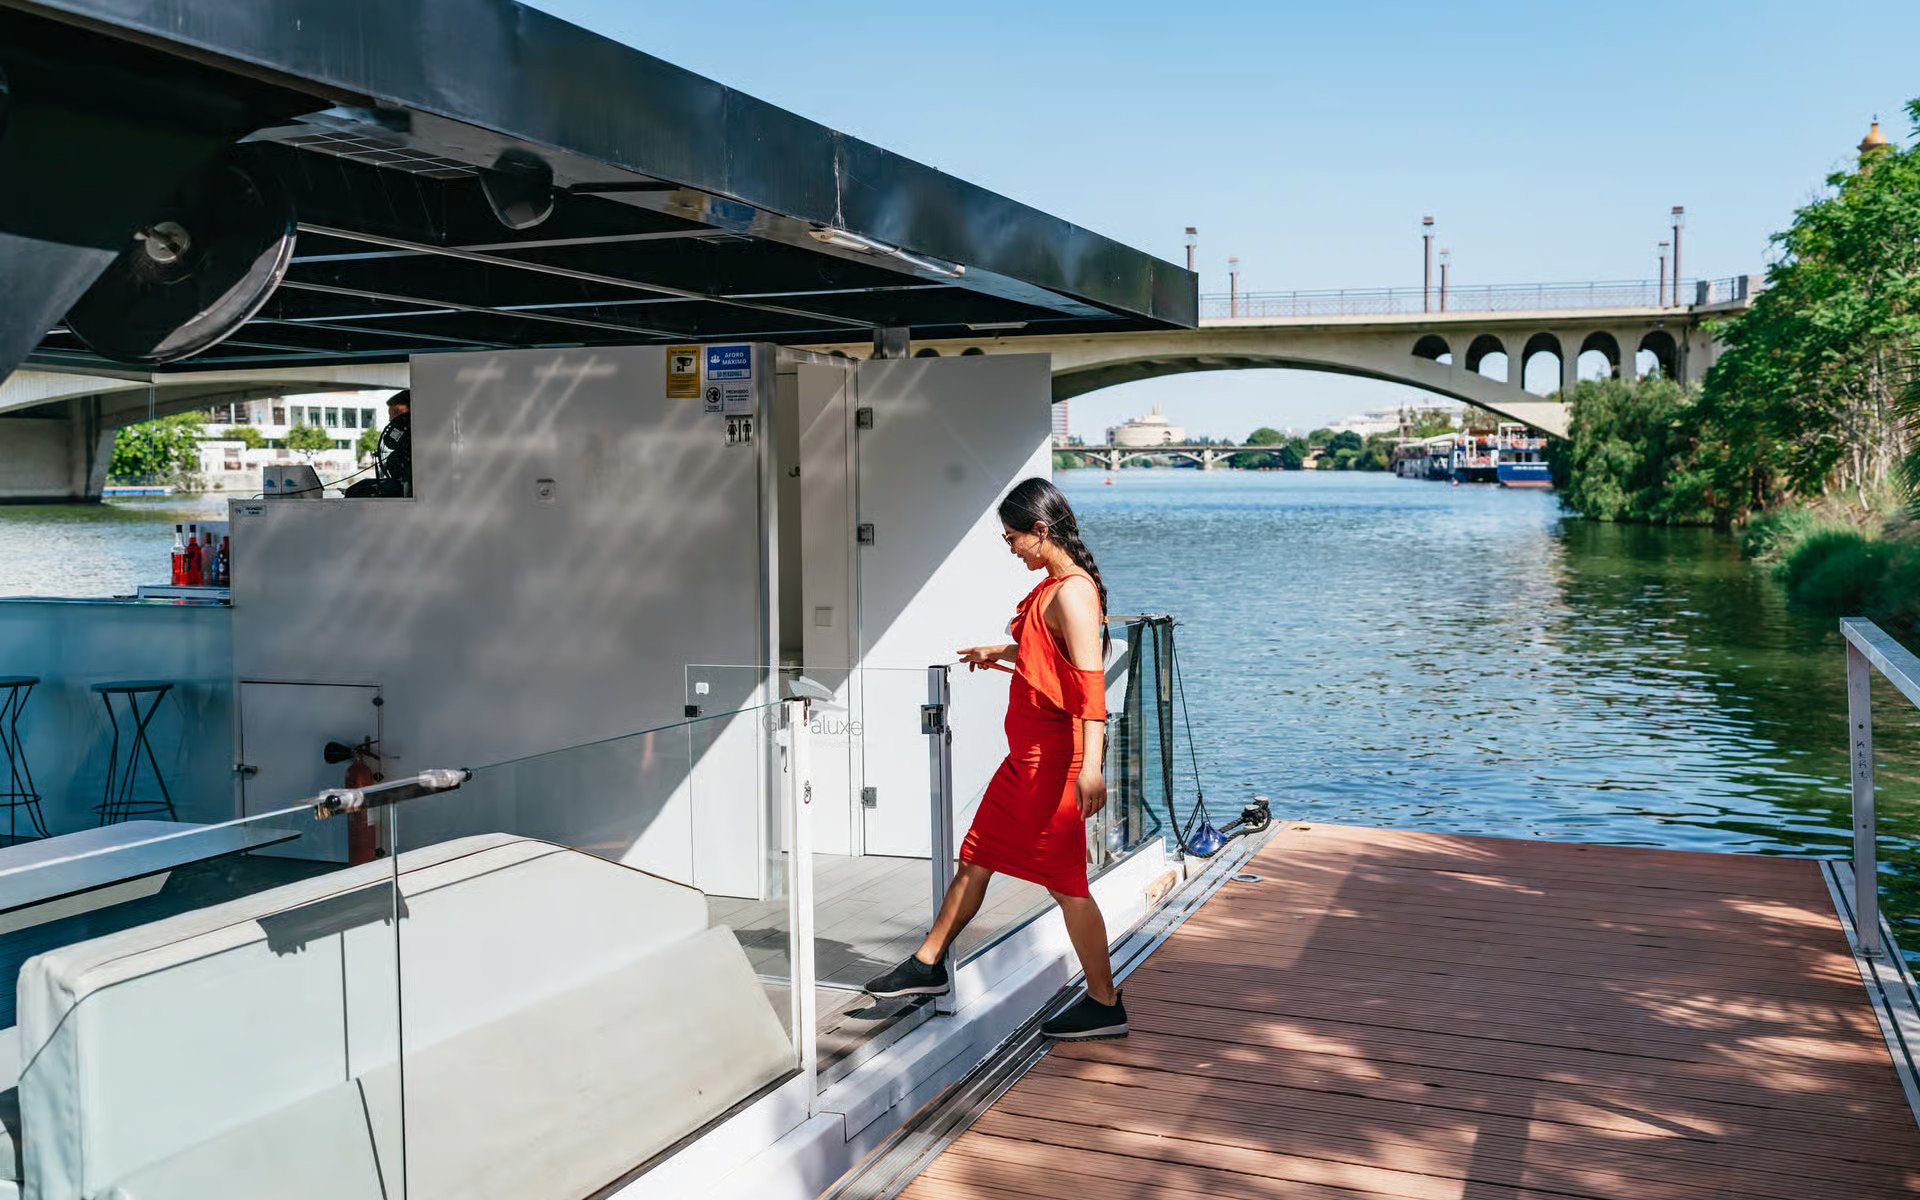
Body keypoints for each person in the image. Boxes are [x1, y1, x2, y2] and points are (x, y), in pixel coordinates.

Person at [863, 477, 1127, 1041]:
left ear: (1040, 530)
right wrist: (1000, 649)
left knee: (1067, 886)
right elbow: (1048, 652)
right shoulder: (1054, 589)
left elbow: (1090, 689)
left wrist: (1091, 768)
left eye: (1012, 538)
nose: (1010, 548)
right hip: (1026, 760)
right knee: (977, 854)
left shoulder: (1073, 592)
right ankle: (927, 964)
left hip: (1056, 763)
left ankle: (1105, 1004)